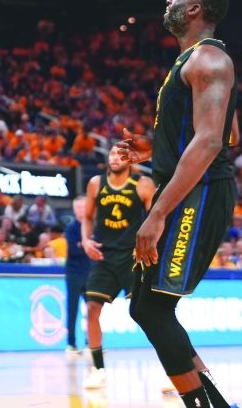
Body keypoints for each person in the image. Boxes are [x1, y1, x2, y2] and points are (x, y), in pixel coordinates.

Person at [117, 0, 241, 408]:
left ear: (194, 11)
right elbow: (231, 132)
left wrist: (157, 214)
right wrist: (160, 146)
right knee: (146, 307)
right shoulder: (193, 61)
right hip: (189, 190)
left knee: (151, 309)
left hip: (199, 194)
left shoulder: (210, 60)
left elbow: (211, 143)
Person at [80, 150, 155, 386]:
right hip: (104, 255)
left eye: (120, 154)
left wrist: (148, 245)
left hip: (133, 256)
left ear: (130, 160)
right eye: (112, 153)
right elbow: (88, 217)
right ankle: (98, 369)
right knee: (92, 307)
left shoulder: (143, 184)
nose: (114, 157)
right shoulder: (95, 184)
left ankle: (171, 368)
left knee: (150, 315)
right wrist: (86, 240)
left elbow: (157, 219)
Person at [64, 197, 92, 356]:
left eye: (83, 206)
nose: (81, 210)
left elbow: (98, 246)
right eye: (78, 207)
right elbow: (73, 250)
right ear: (74, 210)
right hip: (74, 273)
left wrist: (83, 244)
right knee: (73, 308)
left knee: (93, 309)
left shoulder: (93, 226)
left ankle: (92, 344)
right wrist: (87, 245)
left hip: (91, 273)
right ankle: (71, 344)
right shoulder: (71, 227)